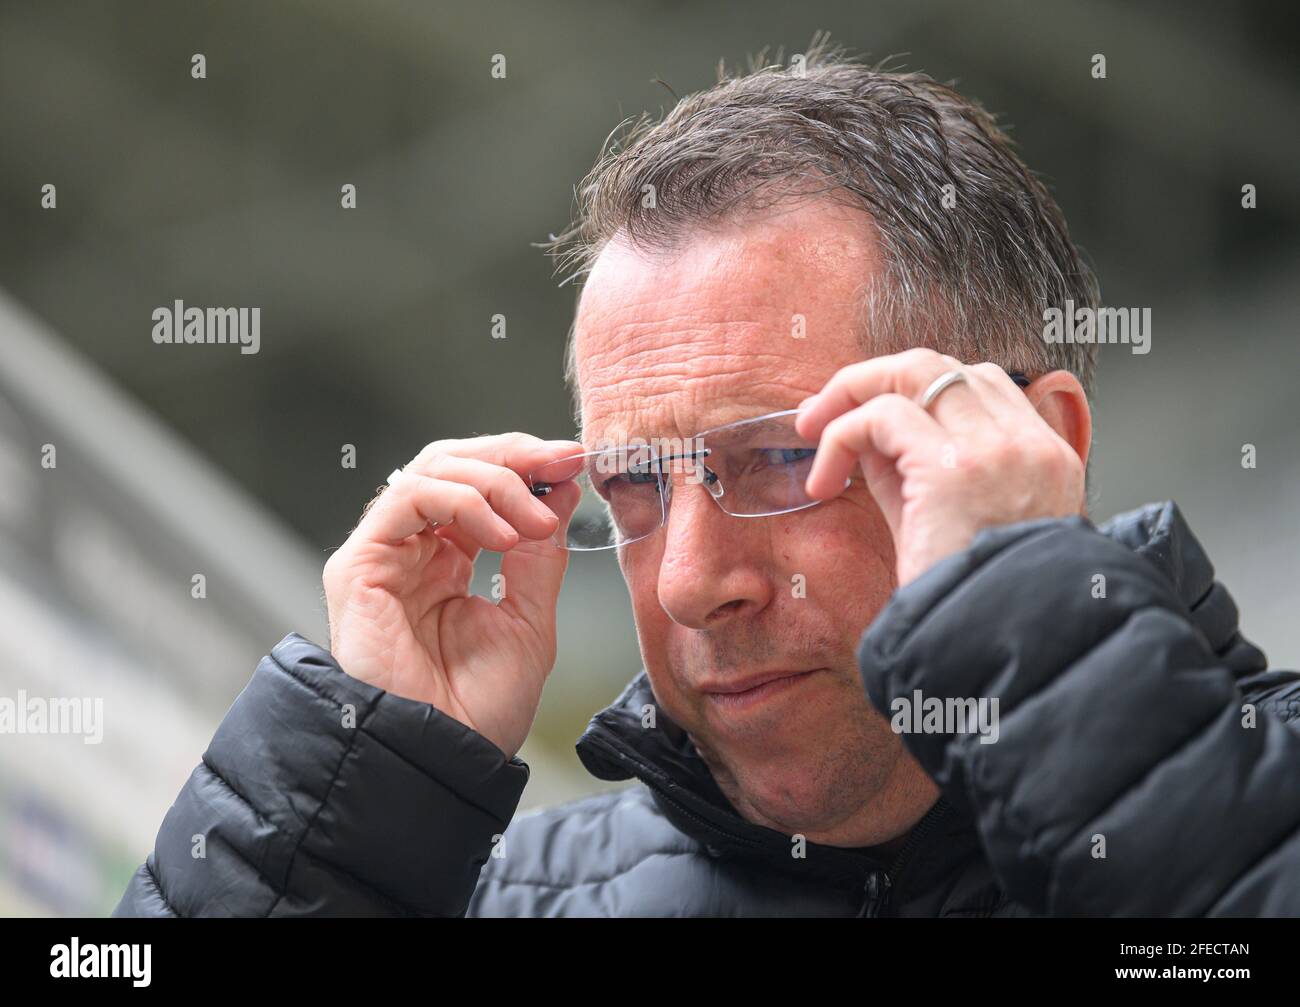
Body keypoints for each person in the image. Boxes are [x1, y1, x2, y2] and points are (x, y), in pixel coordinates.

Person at [115, 41, 1300, 918]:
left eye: (784, 456)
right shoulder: (495, 900)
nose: (686, 583)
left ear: (1039, 444)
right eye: (631, 486)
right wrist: (342, 817)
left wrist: (1037, 631)